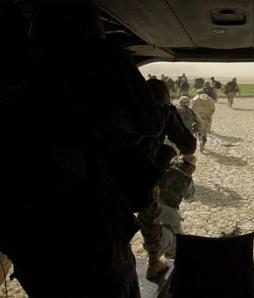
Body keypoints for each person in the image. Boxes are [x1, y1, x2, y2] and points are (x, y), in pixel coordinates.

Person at [1, 2, 167, 297]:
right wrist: (108, 52)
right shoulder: (92, 74)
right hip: (87, 229)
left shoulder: (19, 79)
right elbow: (150, 122)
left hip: (31, 235)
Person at [139, 80, 196, 280]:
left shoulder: (122, 110)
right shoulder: (164, 112)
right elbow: (189, 144)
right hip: (141, 173)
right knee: (149, 211)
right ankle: (154, 262)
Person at [156, 155, 197, 258]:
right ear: (192, 168)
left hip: (151, 208)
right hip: (168, 213)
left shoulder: (166, 166)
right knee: (180, 245)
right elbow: (189, 198)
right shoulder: (187, 179)